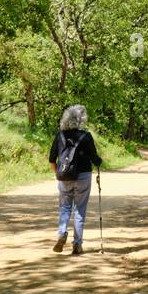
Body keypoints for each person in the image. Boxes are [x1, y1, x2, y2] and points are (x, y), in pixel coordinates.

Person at [48, 104, 102, 255]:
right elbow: (95, 159)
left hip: (64, 177)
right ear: (82, 120)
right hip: (83, 176)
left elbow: (52, 159)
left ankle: (62, 233)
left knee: (65, 208)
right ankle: (77, 244)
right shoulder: (86, 136)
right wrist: (99, 162)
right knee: (79, 210)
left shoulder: (60, 136)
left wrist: (58, 175)